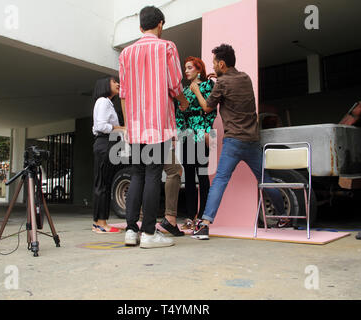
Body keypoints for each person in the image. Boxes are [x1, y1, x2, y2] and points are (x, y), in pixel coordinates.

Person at [191, 44, 286, 240]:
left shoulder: (222, 84)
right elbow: (232, 88)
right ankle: (284, 217)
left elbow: (207, 108)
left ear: (222, 64)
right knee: (264, 180)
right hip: (251, 140)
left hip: (233, 141)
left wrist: (196, 90)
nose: (213, 66)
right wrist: (218, 79)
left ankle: (205, 225)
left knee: (220, 180)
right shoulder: (245, 78)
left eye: (215, 63)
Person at [119, 6, 189, 248]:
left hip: (137, 126)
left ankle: (131, 231)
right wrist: (183, 101)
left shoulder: (126, 53)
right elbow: (175, 84)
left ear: (140, 27)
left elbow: (124, 94)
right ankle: (149, 233)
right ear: (160, 24)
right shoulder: (166, 47)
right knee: (152, 174)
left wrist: (128, 126)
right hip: (157, 123)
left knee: (137, 174)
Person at [176, 56, 216, 227]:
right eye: (185, 68)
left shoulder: (208, 85)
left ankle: (202, 216)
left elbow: (211, 109)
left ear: (199, 69)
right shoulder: (184, 91)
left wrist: (208, 132)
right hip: (187, 134)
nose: (186, 71)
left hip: (202, 133)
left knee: (203, 175)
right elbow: (179, 115)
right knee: (189, 177)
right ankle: (189, 216)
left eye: (190, 67)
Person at [91, 76, 124, 234]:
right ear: (105, 85)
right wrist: (122, 128)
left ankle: (98, 222)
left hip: (105, 144)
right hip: (105, 143)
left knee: (102, 183)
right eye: (114, 82)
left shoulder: (106, 103)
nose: (118, 84)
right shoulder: (103, 101)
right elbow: (101, 126)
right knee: (103, 184)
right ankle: (101, 223)